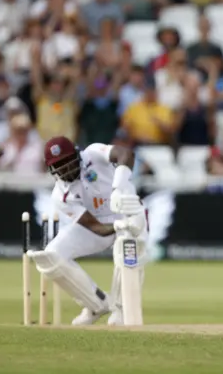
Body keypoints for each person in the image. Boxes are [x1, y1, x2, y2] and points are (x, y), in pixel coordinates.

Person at [26, 136, 147, 326]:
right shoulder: (61, 195)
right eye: (59, 165)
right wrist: (117, 227)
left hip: (130, 214)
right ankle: (96, 304)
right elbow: (94, 226)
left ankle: (122, 308)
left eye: (68, 161)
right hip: (102, 226)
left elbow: (126, 154)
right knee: (50, 256)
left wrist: (118, 188)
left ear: (76, 154)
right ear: (51, 169)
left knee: (126, 244)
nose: (66, 169)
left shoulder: (93, 153)